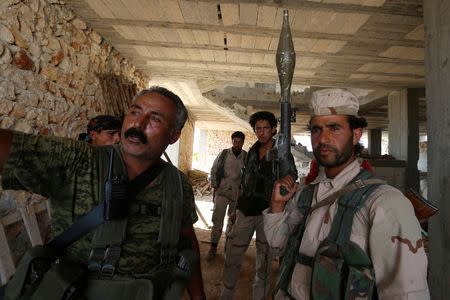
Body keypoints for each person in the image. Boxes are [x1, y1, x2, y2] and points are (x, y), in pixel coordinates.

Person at [0, 86, 205, 299]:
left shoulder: (179, 184)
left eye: (155, 119)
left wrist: (199, 297)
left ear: (174, 136)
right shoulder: (79, 161)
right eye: (134, 112)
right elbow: (10, 149)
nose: (138, 124)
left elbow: (187, 242)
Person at [264, 88, 430, 299]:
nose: (323, 138)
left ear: (356, 134)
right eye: (316, 129)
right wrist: (277, 205)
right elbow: (277, 245)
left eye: (334, 128)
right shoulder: (306, 194)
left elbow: (406, 293)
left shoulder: (384, 202)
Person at [220, 111, 297, 300]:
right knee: (232, 256)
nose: (262, 133)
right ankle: (225, 295)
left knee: (263, 262)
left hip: (268, 214)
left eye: (266, 129)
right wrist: (236, 209)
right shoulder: (252, 151)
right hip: (246, 210)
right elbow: (244, 182)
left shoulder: (282, 154)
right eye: (258, 129)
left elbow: (292, 177)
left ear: (273, 129)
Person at [206, 131, 247, 261]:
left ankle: (227, 249)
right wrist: (214, 185)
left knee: (233, 222)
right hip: (222, 192)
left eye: (240, 142)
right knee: (217, 221)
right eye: (235, 141)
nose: (237, 144)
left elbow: (249, 176)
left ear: (243, 143)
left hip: (236, 194)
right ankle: (213, 247)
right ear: (232, 141)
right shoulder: (224, 154)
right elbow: (214, 169)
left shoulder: (246, 157)